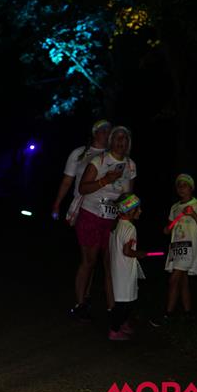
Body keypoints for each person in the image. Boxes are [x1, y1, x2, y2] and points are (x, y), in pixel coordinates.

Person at [72, 126, 137, 321]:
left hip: (112, 221)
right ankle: (80, 304)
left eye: (124, 138)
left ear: (128, 143)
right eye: (117, 137)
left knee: (111, 264)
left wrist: (131, 210)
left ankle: (113, 309)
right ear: (111, 141)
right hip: (91, 215)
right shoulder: (99, 161)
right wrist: (105, 180)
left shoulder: (130, 165)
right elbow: (82, 188)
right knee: (89, 261)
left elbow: (128, 196)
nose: (121, 141)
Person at [52, 120, 112, 317]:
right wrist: (57, 203)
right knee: (88, 259)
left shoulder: (113, 156)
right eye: (103, 130)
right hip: (85, 209)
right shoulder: (80, 154)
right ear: (95, 133)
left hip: (109, 214)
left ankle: (90, 296)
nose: (106, 133)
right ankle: (82, 301)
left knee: (101, 260)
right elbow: (67, 180)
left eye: (109, 130)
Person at [151, 174, 197, 326]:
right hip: (176, 247)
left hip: (189, 247)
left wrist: (194, 214)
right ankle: (188, 314)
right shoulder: (175, 207)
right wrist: (167, 229)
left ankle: (167, 315)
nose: (181, 188)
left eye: (185, 185)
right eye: (179, 185)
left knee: (173, 280)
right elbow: (170, 226)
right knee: (183, 281)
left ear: (191, 188)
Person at [108, 193, 147, 341]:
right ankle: (114, 330)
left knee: (125, 300)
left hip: (117, 270)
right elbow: (127, 251)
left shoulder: (116, 225)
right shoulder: (130, 228)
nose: (140, 211)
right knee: (124, 302)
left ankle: (122, 323)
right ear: (129, 210)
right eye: (138, 208)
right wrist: (139, 254)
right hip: (124, 271)